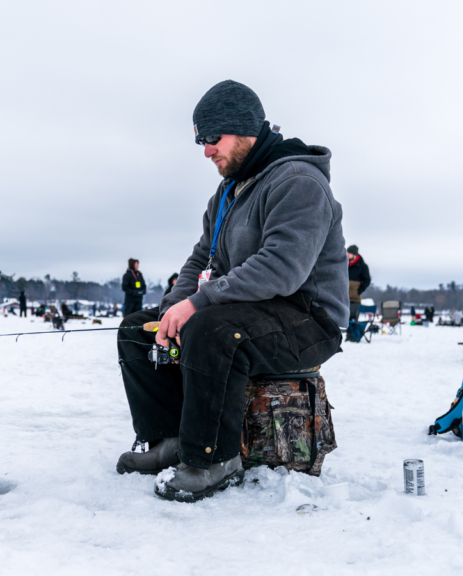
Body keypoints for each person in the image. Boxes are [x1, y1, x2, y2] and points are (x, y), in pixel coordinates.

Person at [116, 80, 347, 501]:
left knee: (212, 329)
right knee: (139, 328)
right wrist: (172, 310)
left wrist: (199, 305)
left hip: (308, 318)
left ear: (244, 130)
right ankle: (167, 440)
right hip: (251, 311)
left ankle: (212, 460)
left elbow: (282, 268)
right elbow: (200, 259)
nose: (206, 150)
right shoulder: (228, 193)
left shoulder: (299, 182)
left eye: (212, 138)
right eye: (200, 140)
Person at [346, 245, 370, 322]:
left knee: (353, 319)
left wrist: (359, 291)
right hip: (344, 297)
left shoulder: (362, 266)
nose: (347, 254)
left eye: (349, 253)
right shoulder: (344, 264)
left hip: (355, 299)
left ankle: (352, 334)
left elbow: (367, 280)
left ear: (355, 255)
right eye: (347, 252)